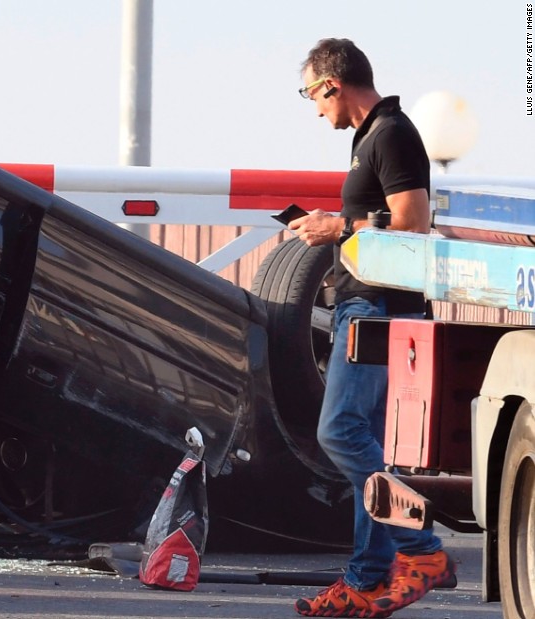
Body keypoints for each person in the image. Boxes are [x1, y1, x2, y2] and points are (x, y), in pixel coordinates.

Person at [289, 38, 455, 617]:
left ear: (332, 83)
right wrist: (338, 226)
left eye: (311, 93)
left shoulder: (391, 132)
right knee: (370, 451)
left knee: (339, 434)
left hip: (378, 308)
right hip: (372, 306)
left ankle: (422, 549)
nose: (313, 108)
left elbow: (411, 221)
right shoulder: (371, 138)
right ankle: (365, 578)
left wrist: (337, 227)